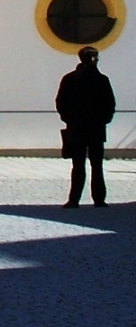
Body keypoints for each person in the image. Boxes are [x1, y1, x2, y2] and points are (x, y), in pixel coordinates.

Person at [56, 43, 116, 206]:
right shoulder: (101, 80)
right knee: (97, 165)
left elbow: (60, 102)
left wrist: (68, 119)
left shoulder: (69, 79)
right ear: (93, 59)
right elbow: (110, 103)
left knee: (78, 165)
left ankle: (74, 199)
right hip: (96, 128)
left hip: (76, 128)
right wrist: (104, 119)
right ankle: (99, 199)